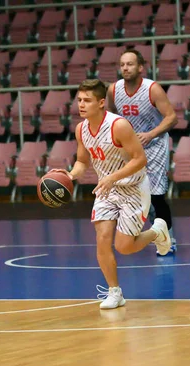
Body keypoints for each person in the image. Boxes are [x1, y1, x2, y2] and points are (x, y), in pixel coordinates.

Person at [53, 79, 171, 309]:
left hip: (133, 188)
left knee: (124, 246)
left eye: (87, 100)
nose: (81, 105)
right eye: (79, 100)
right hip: (107, 189)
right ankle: (114, 292)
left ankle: (157, 232)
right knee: (102, 239)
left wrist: (111, 177)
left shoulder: (119, 126)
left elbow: (140, 160)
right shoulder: (81, 129)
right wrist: (69, 175)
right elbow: (82, 161)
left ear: (101, 103)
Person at [106, 49, 179, 256]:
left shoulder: (152, 89)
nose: (125, 68)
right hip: (131, 147)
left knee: (156, 195)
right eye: (122, 64)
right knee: (138, 194)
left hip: (154, 145)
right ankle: (154, 232)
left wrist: (150, 134)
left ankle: (169, 238)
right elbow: (110, 116)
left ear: (140, 67)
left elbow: (171, 117)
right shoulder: (113, 90)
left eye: (129, 64)